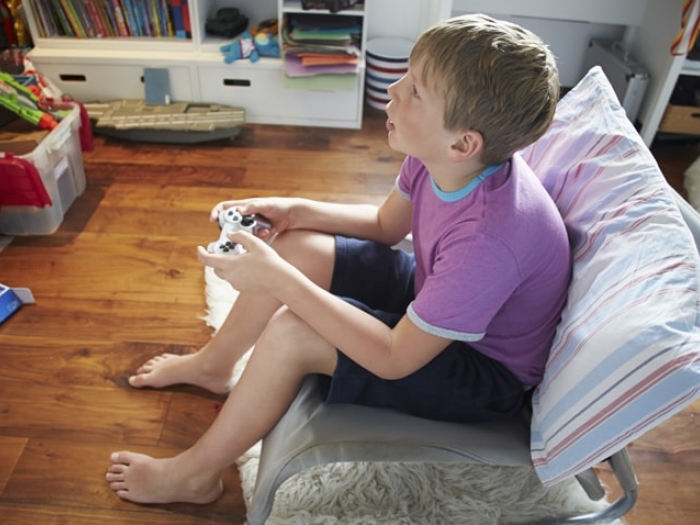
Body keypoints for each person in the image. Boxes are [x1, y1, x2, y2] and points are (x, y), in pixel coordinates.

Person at [106, 13, 570, 505]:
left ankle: (193, 476)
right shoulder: (441, 157)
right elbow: (385, 227)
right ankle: (213, 366)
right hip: (435, 298)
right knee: (299, 245)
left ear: (463, 143)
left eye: (415, 90)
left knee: (293, 330)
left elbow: (394, 359)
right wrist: (296, 210)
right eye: (407, 75)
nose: (393, 88)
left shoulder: (489, 241)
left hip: (480, 371)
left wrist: (282, 284)